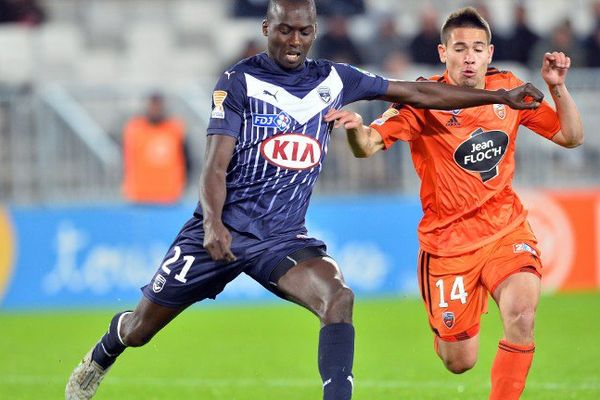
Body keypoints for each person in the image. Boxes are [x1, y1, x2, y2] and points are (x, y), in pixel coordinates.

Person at [64, 2, 543, 399]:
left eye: (304, 31)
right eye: (285, 30)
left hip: (281, 238)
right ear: (266, 28)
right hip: (221, 230)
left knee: (338, 298)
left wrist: (495, 100)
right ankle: (107, 347)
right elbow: (213, 166)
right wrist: (212, 223)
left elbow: (418, 91)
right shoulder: (237, 83)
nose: (294, 40)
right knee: (142, 329)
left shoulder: (336, 77)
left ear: (314, 32)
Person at [326, 7, 582, 400]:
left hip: (505, 229)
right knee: (459, 361)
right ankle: (449, 330)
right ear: (443, 52)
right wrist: (357, 130)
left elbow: (571, 137)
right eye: (460, 48)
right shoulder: (423, 100)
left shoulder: (508, 90)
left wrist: (557, 87)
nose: (469, 57)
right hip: (448, 245)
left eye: (477, 48)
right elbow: (369, 146)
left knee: (522, 314)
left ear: (490, 52)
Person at [122, 92, 190, 204]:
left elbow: (186, 159)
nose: (155, 110)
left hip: (169, 195)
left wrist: (182, 184)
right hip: (140, 195)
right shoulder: (135, 129)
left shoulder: (175, 129)